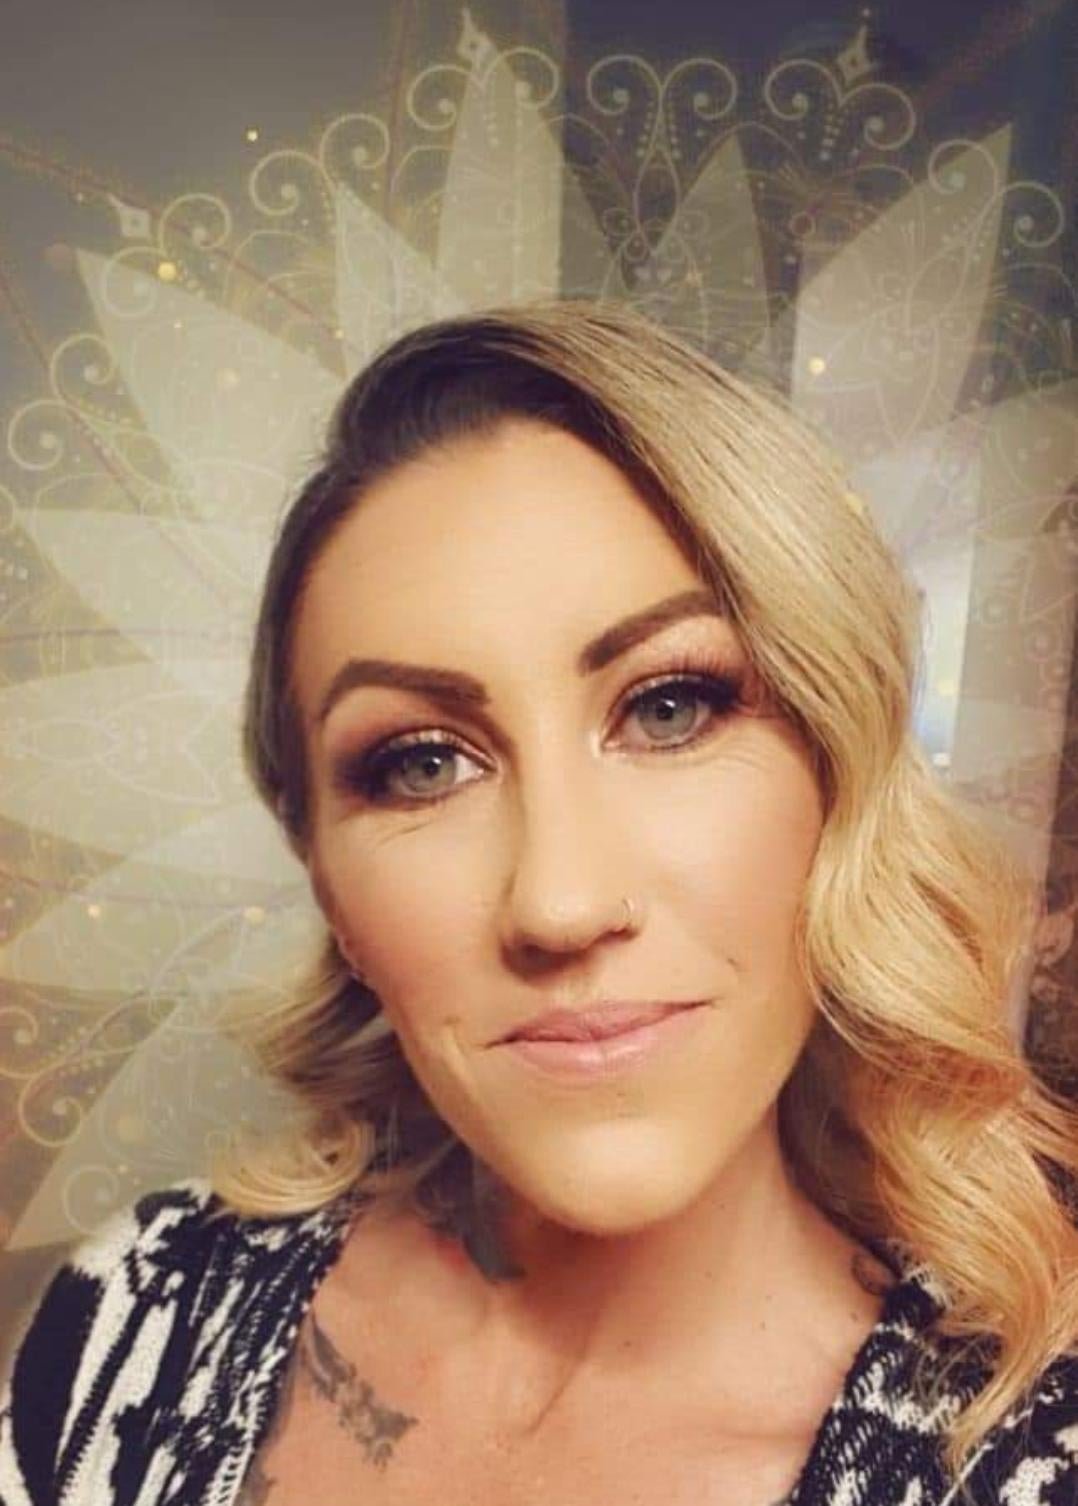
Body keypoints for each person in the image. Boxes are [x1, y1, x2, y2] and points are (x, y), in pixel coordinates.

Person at [1, 300, 1075, 1506]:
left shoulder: (1029, 1460)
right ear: (326, 883)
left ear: (838, 779)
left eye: (669, 707)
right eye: (421, 763)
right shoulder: (138, 1313)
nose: (559, 905)